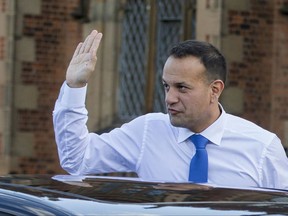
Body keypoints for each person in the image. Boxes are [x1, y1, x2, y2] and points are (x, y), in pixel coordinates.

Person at [53, 30, 288, 189]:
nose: (169, 98)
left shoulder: (262, 148)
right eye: (166, 86)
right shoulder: (148, 131)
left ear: (215, 90)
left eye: (182, 88)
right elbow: (77, 160)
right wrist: (75, 86)